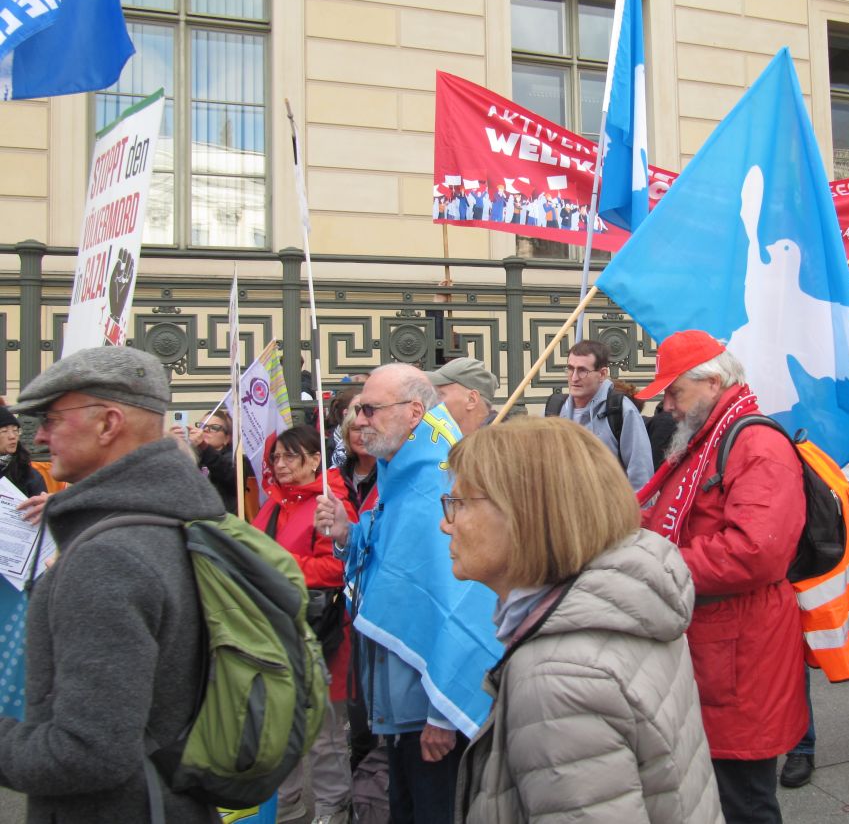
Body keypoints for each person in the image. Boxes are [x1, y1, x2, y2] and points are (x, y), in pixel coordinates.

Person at [443, 417, 723, 822]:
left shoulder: (557, 677)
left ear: (525, 514)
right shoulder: (622, 600)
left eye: (460, 504)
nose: (445, 523)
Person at [0, 346, 219, 822]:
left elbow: (87, 752)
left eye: (54, 418)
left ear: (108, 423)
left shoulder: (108, 556)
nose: (39, 435)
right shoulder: (180, 519)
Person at [313, 363, 502, 824]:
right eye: (359, 409)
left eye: (371, 409)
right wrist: (345, 534)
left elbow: (462, 601)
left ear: (415, 412)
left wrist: (441, 714)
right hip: (399, 702)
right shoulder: (399, 476)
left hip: (428, 708)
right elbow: (389, 567)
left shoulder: (436, 481)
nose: (359, 420)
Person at [635, 330, 807, 824]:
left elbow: (757, 552)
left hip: (739, 651)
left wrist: (654, 561)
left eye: (674, 392)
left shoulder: (754, 442)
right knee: (710, 792)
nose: (666, 406)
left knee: (743, 800)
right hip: (714, 642)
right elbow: (673, 515)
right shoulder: (711, 434)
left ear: (712, 383)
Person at [253, 424, 357, 824]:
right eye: (276, 457)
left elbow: (335, 567)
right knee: (278, 726)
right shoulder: (274, 504)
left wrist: (277, 567)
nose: (280, 464)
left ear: (316, 459)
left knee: (323, 732)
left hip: (318, 631)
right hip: (274, 631)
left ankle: (333, 805)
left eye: (290, 456)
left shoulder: (330, 503)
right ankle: (288, 800)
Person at [555, 339, 653, 490]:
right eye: (570, 368)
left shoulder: (621, 411)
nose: (574, 378)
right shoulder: (554, 409)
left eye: (582, 370)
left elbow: (640, 473)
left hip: (609, 511)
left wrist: (637, 513)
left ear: (602, 374)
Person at [177, 409, 257, 518]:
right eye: (201, 425)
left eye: (214, 428)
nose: (205, 430)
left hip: (223, 524)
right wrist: (174, 444)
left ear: (227, 438)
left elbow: (228, 473)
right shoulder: (192, 457)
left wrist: (204, 447)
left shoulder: (237, 459)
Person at [426, 357, 499, 436]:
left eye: (440, 394)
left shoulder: (502, 444)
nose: (432, 401)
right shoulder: (446, 441)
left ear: (472, 400)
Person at [338, 400, 378, 514]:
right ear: (347, 434)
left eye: (368, 429)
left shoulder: (391, 473)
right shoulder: (338, 475)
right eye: (356, 429)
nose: (362, 436)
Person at [0, 406, 45, 498]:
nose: (12, 436)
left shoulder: (28, 474)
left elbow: (40, 509)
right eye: (4, 431)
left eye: (16, 430)